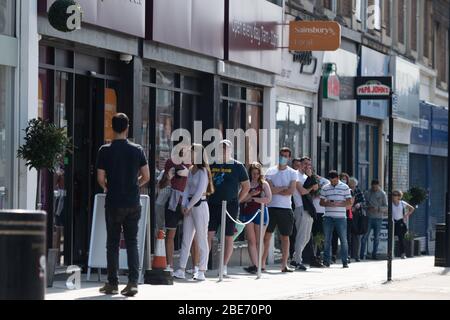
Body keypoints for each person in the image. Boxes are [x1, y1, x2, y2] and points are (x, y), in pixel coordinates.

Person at [96, 113, 150, 297]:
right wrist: (135, 184)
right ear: (127, 128)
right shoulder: (137, 150)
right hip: (132, 202)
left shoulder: (104, 150)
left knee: (112, 243)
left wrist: (107, 187)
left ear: (112, 127)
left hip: (113, 202)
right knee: (132, 241)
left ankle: (112, 283)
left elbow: (100, 178)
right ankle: (133, 282)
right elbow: (147, 176)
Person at [208, 140, 250, 276]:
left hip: (230, 205)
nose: (223, 151)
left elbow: (246, 186)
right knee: (208, 234)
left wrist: (237, 200)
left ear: (231, 150)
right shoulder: (213, 163)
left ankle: (223, 265)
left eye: (226, 149)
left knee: (228, 236)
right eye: (221, 148)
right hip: (213, 203)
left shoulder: (238, 166)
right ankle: (201, 264)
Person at [173, 144, 215, 281]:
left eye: (192, 152)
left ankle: (202, 270)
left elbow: (199, 192)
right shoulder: (191, 170)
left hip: (200, 206)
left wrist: (188, 206)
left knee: (201, 238)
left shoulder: (203, 171)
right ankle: (181, 269)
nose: (189, 155)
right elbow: (186, 189)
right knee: (186, 239)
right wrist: (184, 204)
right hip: (190, 207)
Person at [262, 147, 298, 273]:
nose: (283, 157)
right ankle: (262, 264)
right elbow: (269, 190)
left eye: (286, 155)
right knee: (266, 236)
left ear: (289, 158)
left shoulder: (293, 172)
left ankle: (284, 265)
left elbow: (291, 191)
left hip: (285, 209)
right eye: (282, 155)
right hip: (271, 207)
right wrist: (283, 188)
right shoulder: (271, 171)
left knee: (285, 237)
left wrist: (276, 189)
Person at [164, 146, 199, 273]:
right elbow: (161, 184)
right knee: (170, 234)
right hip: (174, 202)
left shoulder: (194, 165)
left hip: (188, 204)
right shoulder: (170, 162)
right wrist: (168, 177)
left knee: (192, 236)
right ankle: (169, 266)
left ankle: (195, 267)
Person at [241, 162, 272, 274]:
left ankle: (259, 264)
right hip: (248, 213)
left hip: (260, 212)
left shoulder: (264, 184)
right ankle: (255, 264)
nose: (255, 176)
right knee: (251, 240)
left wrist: (254, 199)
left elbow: (268, 199)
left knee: (259, 240)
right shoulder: (246, 184)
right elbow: (241, 199)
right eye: (253, 173)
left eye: (257, 173)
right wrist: (251, 195)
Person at [320, 171, 352, 268]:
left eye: (334, 181)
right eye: (331, 181)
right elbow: (321, 202)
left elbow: (349, 202)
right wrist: (328, 203)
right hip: (328, 217)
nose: (332, 183)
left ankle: (345, 261)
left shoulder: (345, 187)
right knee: (327, 240)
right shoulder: (325, 187)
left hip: (341, 217)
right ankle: (326, 261)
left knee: (343, 239)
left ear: (338, 178)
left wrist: (339, 204)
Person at [291, 157, 318, 271]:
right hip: (300, 208)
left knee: (306, 237)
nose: (307, 166)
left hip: (308, 209)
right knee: (301, 237)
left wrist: (312, 180)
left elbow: (316, 189)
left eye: (309, 164)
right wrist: (312, 187)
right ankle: (298, 261)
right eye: (305, 164)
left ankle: (294, 258)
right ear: (300, 164)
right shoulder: (296, 175)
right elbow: (302, 191)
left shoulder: (307, 177)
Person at [361, 179, 388, 260]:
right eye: (373, 187)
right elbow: (363, 203)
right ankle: (361, 254)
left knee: (376, 237)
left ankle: (374, 254)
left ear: (378, 186)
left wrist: (378, 208)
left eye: (376, 187)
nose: (374, 188)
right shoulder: (367, 193)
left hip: (378, 218)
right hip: (368, 218)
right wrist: (367, 208)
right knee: (365, 236)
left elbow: (386, 207)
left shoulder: (382, 194)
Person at [392, 190, 415, 259]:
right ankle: (391, 253)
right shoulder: (390, 203)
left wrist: (406, 215)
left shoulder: (402, 203)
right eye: (393, 195)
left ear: (399, 196)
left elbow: (412, 208)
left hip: (400, 222)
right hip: (393, 222)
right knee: (390, 238)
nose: (394, 196)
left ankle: (402, 254)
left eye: (396, 195)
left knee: (401, 239)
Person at [348, 177, 366, 262]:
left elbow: (363, 201)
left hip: (357, 216)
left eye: (354, 185)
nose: (353, 186)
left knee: (357, 236)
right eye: (351, 184)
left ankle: (356, 255)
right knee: (348, 236)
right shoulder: (346, 190)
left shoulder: (358, 191)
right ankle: (348, 255)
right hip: (347, 214)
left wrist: (358, 204)